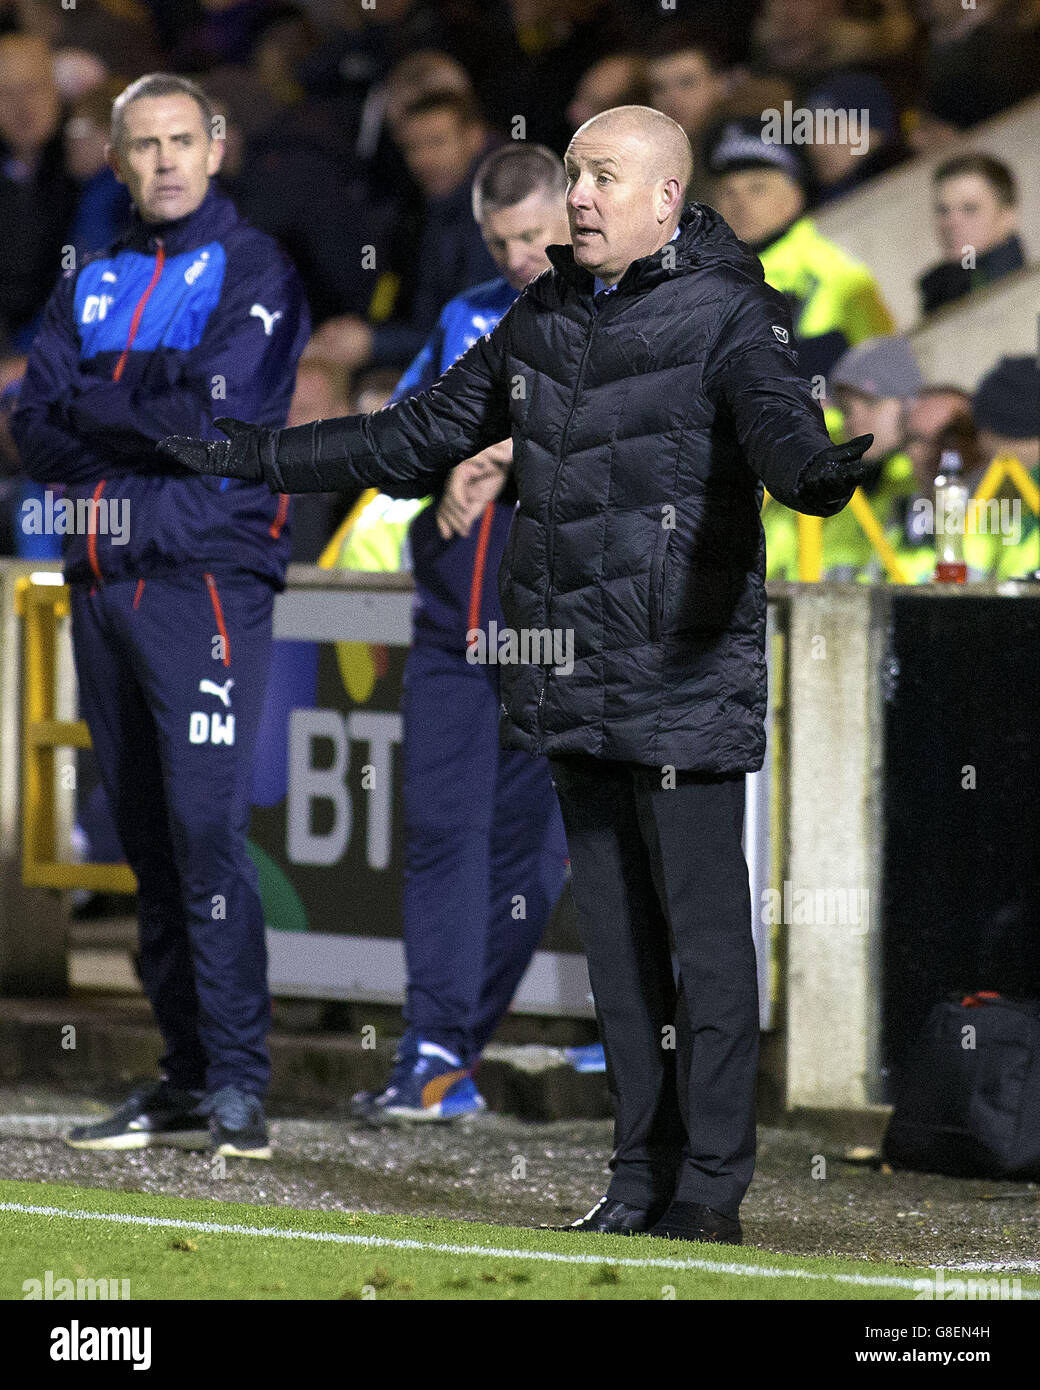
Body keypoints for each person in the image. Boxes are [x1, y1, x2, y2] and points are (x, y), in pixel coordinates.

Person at [160, 104, 875, 1244]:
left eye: (599, 178)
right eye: (573, 175)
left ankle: (708, 1189)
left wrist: (817, 474)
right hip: (573, 676)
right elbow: (407, 440)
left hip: (683, 683)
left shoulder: (733, 314)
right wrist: (252, 454)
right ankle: (637, 1178)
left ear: (661, 200)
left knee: (702, 948)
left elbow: (782, 434)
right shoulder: (543, 315)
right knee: (621, 960)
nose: (577, 196)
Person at [11, 72, 310, 1160]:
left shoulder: (257, 267)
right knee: (145, 838)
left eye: (183, 139)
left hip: (202, 580)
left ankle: (238, 1083)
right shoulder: (86, 273)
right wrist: (133, 414)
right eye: (145, 145)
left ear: (216, 146)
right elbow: (31, 419)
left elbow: (218, 417)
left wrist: (105, 410)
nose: (166, 160)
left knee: (202, 830)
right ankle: (184, 1079)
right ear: (120, 159)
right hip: (99, 581)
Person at [347, 143, 572, 1124]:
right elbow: (401, 440)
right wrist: (433, 447)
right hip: (448, 625)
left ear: (569, 216)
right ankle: (431, 1050)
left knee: (526, 856)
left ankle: (452, 1051)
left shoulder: (618, 310)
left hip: (551, 633)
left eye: (533, 234)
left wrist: (512, 449)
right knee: (440, 836)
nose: (520, 254)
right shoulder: (462, 313)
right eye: (500, 238)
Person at [704, 116, 895, 380]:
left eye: (757, 189)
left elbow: (890, 374)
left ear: (795, 195)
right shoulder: (706, 284)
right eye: (728, 192)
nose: (741, 203)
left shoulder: (838, 275)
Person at [764, 336, 920, 581]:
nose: (855, 418)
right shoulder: (819, 472)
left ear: (909, 406)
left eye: (871, 402)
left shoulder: (925, 484)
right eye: (846, 408)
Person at [918, 155, 1026, 318]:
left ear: (1007, 216)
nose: (951, 222)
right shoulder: (941, 286)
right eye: (943, 210)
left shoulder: (1015, 292)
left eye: (970, 209)